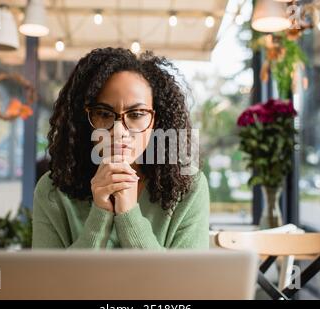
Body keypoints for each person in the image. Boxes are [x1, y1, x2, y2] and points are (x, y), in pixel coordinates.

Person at [32, 47, 209, 249]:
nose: (118, 131)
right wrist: (100, 213)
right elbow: (51, 280)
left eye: (136, 114)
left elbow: (184, 280)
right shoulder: (52, 190)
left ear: (155, 121)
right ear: (84, 119)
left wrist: (128, 213)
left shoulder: (188, 187)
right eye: (104, 113)